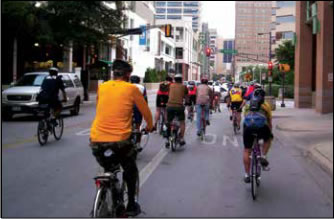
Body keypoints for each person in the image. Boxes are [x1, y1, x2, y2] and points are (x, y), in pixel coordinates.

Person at [89, 60, 153, 216]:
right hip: (120, 141)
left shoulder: (102, 87)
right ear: (128, 75)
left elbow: (99, 108)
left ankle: (107, 194)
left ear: (113, 73)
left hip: (96, 140)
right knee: (130, 169)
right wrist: (150, 126)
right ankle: (130, 204)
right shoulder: (131, 89)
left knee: (108, 168)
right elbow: (146, 112)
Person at [242, 88, 273, 183]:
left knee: (247, 150)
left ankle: (247, 175)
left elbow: (245, 117)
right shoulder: (266, 105)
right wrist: (270, 131)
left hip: (248, 128)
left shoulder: (247, 104)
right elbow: (269, 121)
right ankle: (263, 156)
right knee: (268, 139)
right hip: (261, 128)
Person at [165, 74, 188, 146]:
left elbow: (168, 94)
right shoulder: (184, 86)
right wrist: (187, 102)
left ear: (174, 79)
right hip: (179, 107)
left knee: (169, 121)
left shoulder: (170, 86)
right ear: (181, 80)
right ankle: (181, 138)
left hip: (170, 106)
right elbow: (187, 97)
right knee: (182, 122)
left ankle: (167, 140)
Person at [130, 75, 148, 147]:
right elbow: (145, 99)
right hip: (138, 107)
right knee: (138, 125)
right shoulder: (142, 87)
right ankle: (138, 144)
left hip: (128, 107)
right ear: (139, 81)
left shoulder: (127, 86)